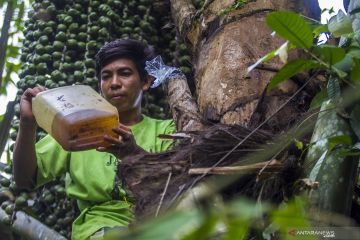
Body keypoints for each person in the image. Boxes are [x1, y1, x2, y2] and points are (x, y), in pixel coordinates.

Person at [13, 39, 176, 240]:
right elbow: (24, 179)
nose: (114, 83)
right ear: (99, 86)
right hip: (100, 229)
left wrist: (133, 155)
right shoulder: (74, 129)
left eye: (124, 73)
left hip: (162, 226)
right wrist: (27, 124)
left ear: (145, 82)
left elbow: (178, 186)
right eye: (106, 76)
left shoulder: (167, 130)